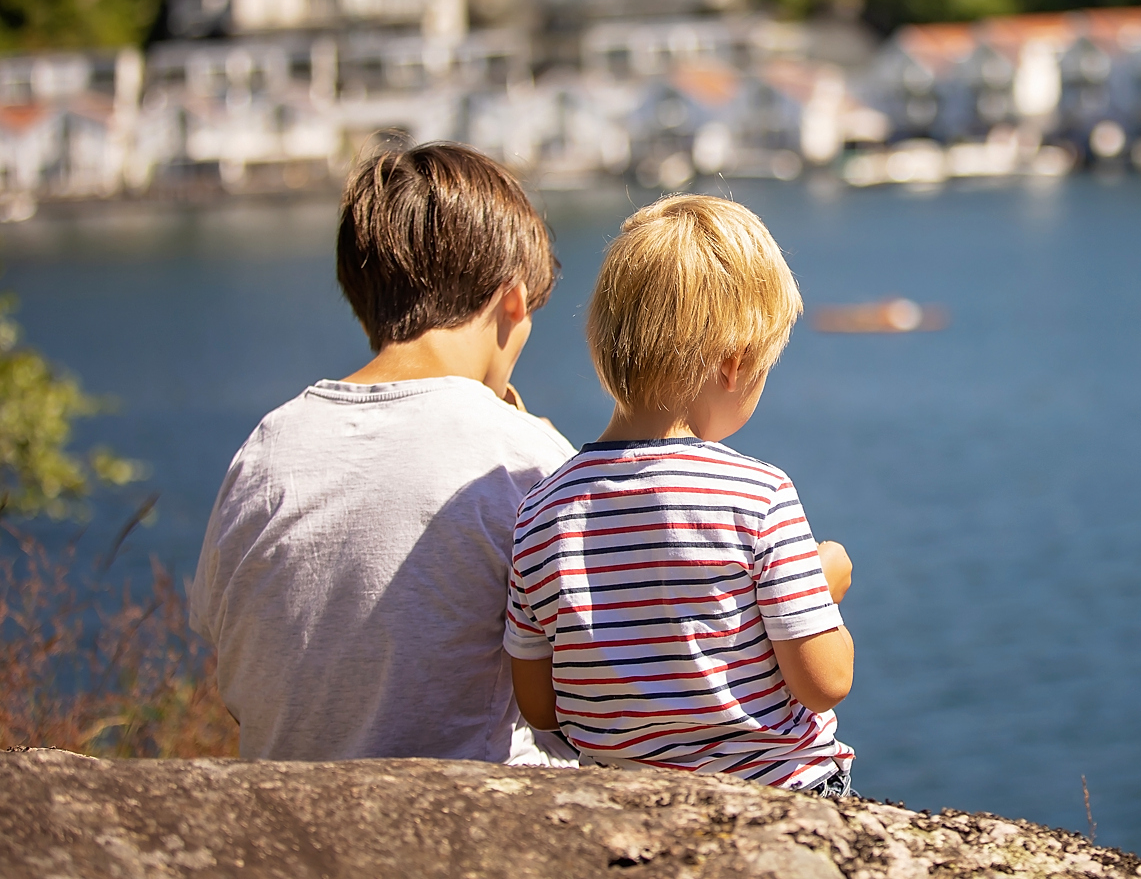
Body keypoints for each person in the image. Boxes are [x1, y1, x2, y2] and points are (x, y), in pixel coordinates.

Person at [189, 142, 577, 763]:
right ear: (513, 303)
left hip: (279, 818)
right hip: (478, 825)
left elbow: (228, 638)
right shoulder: (525, 455)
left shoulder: (267, 447)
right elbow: (585, 675)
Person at [505, 194, 857, 795]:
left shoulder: (540, 511)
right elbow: (824, 681)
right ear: (733, 363)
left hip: (620, 802)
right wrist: (821, 586)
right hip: (777, 795)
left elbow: (540, 707)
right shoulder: (759, 495)